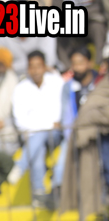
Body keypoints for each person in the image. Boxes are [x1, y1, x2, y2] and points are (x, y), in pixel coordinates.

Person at [8, 51, 64, 205]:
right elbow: (20, 122)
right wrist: (47, 125)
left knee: (39, 137)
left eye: (38, 66)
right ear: (28, 68)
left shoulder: (56, 82)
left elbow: (61, 112)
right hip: (33, 136)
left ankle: (20, 166)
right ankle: (39, 193)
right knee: (38, 147)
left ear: (45, 67)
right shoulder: (20, 88)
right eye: (32, 67)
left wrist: (46, 125)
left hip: (55, 134)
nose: (35, 70)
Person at [53, 47, 100, 190]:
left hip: (98, 132)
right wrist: (71, 137)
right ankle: (58, 190)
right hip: (74, 133)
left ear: (90, 63)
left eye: (81, 62)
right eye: (74, 63)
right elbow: (66, 116)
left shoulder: (100, 82)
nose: (77, 67)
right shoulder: (68, 87)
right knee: (61, 164)